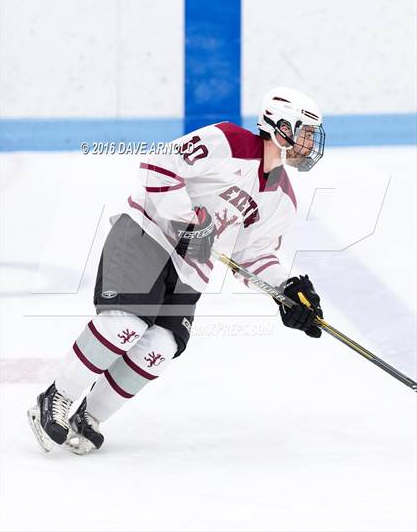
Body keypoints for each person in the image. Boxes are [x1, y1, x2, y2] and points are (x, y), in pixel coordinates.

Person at [27, 86, 326, 455]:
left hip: (190, 270)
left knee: (161, 346)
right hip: (148, 233)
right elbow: (158, 165)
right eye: (306, 131)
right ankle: (58, 397)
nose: (311, 142)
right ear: (280, 127)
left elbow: (253, 255)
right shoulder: (228, 141)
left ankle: (89, 416)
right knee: (125, 325)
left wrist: (288, 288)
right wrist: (188, 223)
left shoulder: (282, 200)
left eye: (313, 134)